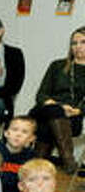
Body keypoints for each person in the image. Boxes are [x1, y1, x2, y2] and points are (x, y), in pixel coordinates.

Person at [29, 26, 85, 175]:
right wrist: (57, 106)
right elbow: (41, 94)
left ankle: (36, 166)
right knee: (54, 111)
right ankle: (68, 160)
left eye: (83, 42)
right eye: (74, 43)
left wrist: (77, 111)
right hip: (44, 109)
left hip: (72, 118)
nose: (78, 47)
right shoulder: (57, 65)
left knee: (47, 126)